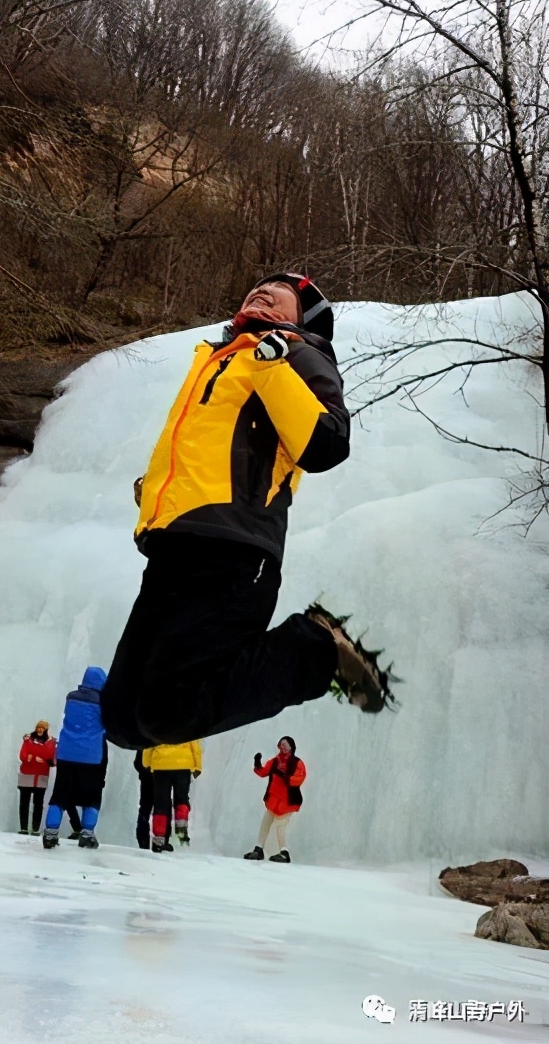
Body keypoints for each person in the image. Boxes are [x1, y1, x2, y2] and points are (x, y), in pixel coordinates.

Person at [101, 272, 395, 752]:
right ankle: (307, 653)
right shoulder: (217, 359)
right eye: (257, 286)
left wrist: (274, 365)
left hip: (234, 549)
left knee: (169, 713)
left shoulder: (298, 352)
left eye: (280, 294)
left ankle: (317, 651)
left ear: (301, 319)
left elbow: (326, 443)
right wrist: (155, 492)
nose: (262, 290)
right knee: (122, 720)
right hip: (174, 547)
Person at [42, 667, 108, 850]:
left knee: (60, 794)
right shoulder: (103, 702)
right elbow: (107, 725)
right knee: (92, 795)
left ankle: (50, 833)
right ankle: (87, 833)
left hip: (66, 752)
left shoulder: (71, 697)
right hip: (91, 756)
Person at [244, 736, 306, 864]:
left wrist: (286, 777)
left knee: (280, 826)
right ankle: (259, 849)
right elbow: (263, 772)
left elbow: (299, 778)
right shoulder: (275, 761)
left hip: (287, 801)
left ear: (291, 747)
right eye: (281, 744)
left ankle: (284, 852)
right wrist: (257, 764)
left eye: (286, 745)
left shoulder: (297, 763)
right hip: (273, 799)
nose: (283, 747)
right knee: (265, 823)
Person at [141, 740, 202, 852]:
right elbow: (194, 741)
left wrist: (146, 763)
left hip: (161, 765)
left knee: (161, 803)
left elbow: (149, 740)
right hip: (183, 764)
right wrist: (197, 766)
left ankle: (159, 840)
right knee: (181, 798)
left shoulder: (155, 721)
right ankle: (181, 832)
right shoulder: (188, 721)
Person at [17, 720, 56, 835]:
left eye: (42, 728)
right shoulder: (28, 740)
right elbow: (23, 755)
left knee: (38, 804)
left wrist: (43, 760)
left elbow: (52, 759)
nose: (40, 730)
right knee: (24, 802)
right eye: (39, 727)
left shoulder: (51, 742)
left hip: (41, 777)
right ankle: (23, 827)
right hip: (27, 775)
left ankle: (35, 828)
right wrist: (30, 758)